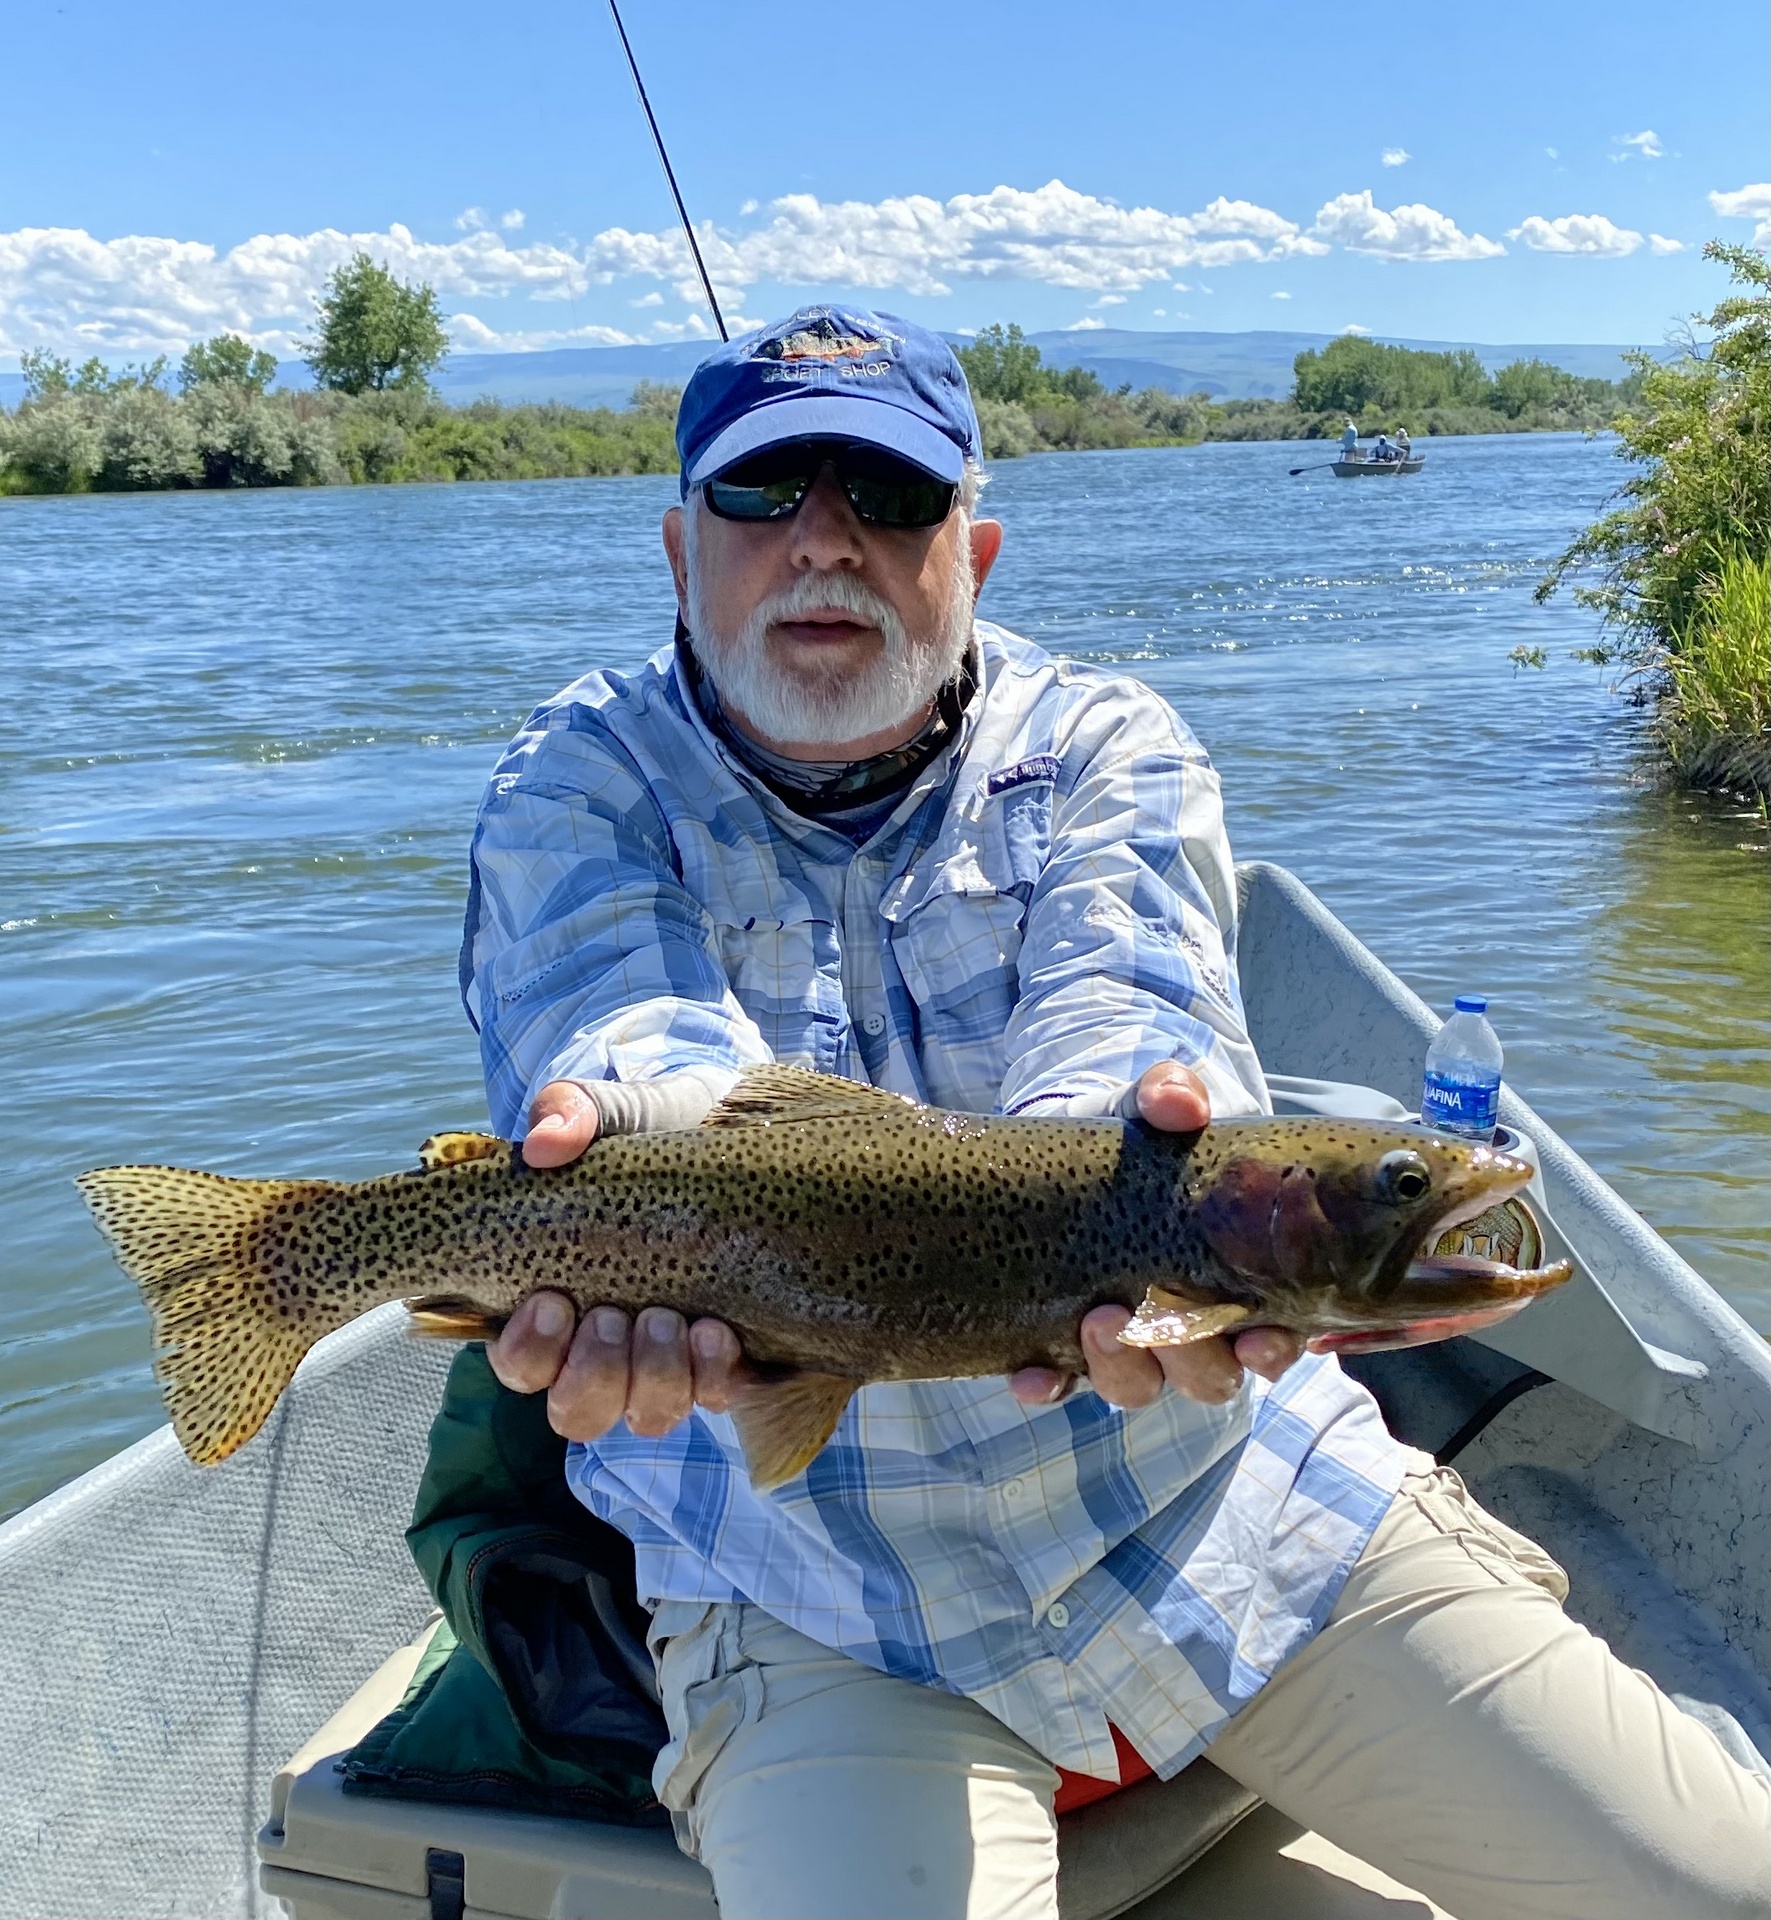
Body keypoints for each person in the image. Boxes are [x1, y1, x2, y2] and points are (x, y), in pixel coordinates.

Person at [451, 303, 1770, 1920]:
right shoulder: (575, 782)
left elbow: (1137, 1036)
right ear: (678, 550)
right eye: (762, 494)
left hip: (1224, 1508)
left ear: (976, 552)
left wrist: (1144, 1255)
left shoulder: (1101, 745)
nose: (823, 543)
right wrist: (637, 1167)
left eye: (887, 497)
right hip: (816, 1595)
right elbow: (638, 1039)